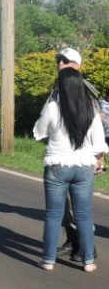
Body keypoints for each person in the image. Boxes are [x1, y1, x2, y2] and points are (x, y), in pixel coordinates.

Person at [33, 66, 107, 272]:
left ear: (61, 86)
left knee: (53, 215)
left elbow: (38, 132)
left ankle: (48, 260)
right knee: (84, 215)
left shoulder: (53, 108)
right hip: (84, 166)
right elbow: (99, 143)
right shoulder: (90, 110)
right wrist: (100, 161)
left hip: (57, 166)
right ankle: (89, 260)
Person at [50, 48, 99, 260]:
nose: (60, 63)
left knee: (81, 207)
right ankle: (73, 240)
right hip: (61, 156)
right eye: (59, 60)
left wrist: (99, 157)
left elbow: (95, 126)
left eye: (66, 60)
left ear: (77, 66)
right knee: (62, 206)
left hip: (81, 157)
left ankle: (88, 248)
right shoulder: (56, 90)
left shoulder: (84, 90)